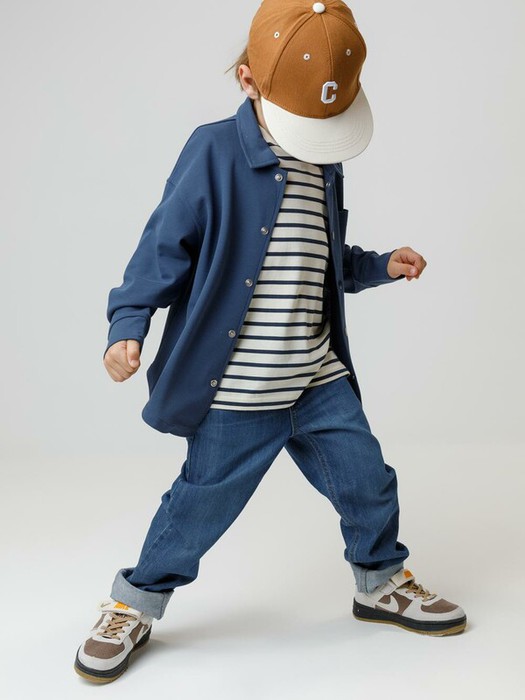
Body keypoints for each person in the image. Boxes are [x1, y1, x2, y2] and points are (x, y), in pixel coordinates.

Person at [74, 0, 466, 685]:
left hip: (316, 378)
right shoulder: (212, 151)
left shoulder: (324, 160)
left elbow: (320, 259)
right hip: (238, 392)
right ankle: (133, 603)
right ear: (247, 79)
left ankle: (378, 581)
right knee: (197, 507)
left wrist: (379, 266)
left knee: (368, 481)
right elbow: (161, 250)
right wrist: (127, 326)